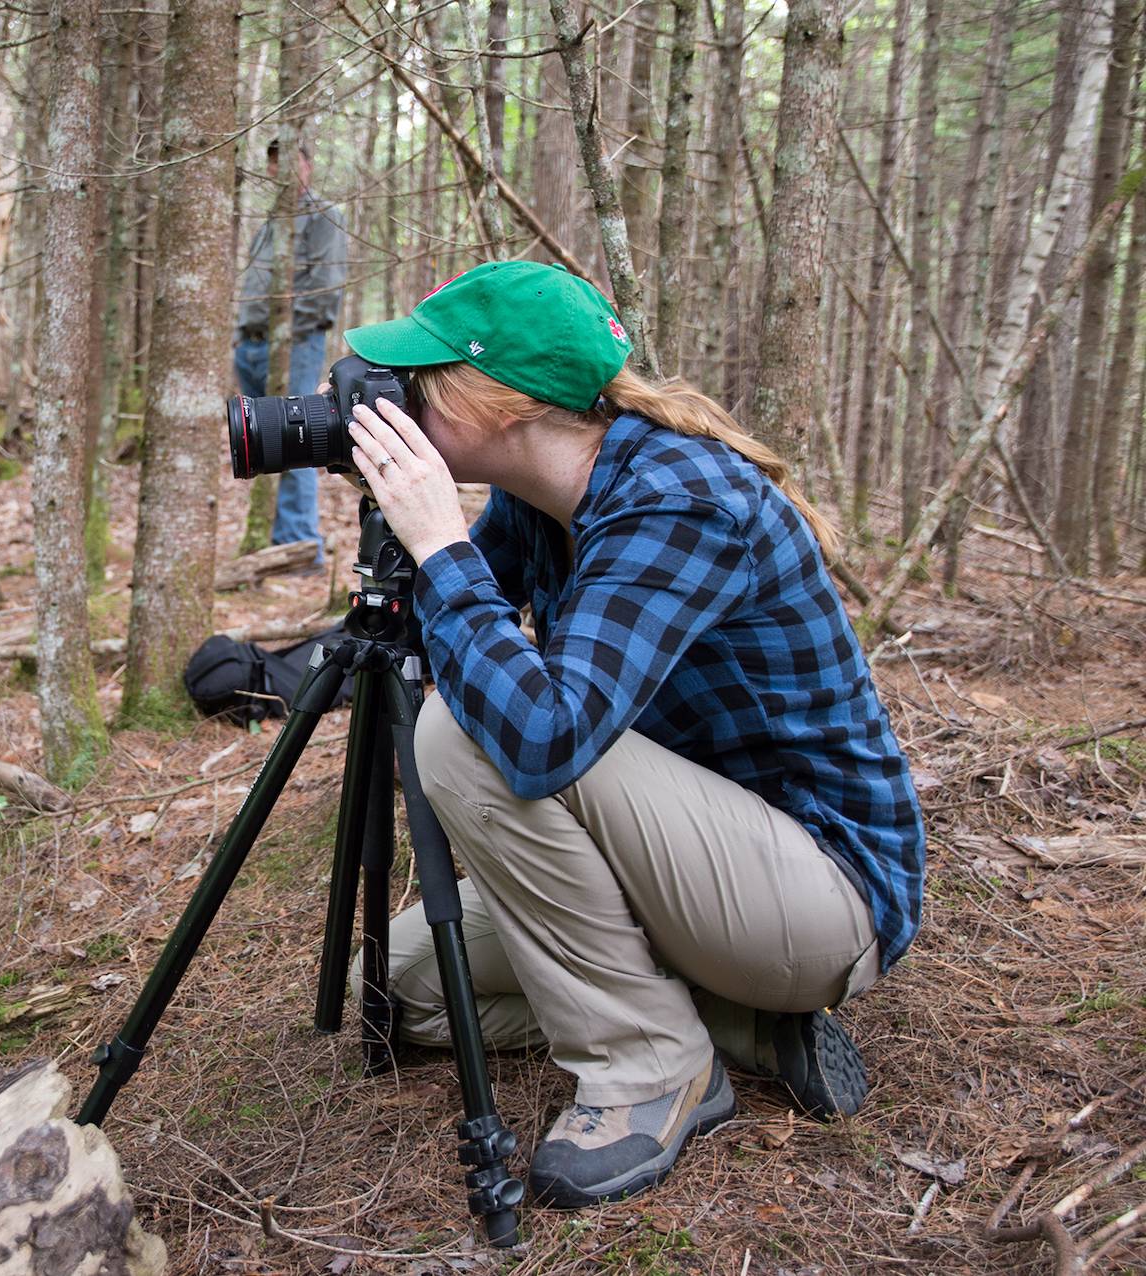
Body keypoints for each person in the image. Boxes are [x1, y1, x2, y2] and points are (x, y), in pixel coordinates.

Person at [337, 261, 925, 1209]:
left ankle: (652, 1067)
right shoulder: (541, 498)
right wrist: (401, 570)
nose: (396, 405)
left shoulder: (680, 500)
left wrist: (442, 545)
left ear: (499, 406)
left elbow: (539, 736)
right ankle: (732, 1022)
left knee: (461, 737)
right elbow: (437, 632)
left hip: (816, 894)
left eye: (419, 385)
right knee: (399, 990)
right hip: (674, 867)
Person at [234, 140, 348, 568]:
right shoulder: (270, 221)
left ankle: (300, 546)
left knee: (296, 438)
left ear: (307, 167)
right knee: (259, 443)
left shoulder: (323, 216)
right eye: (274, 163)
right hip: (250, 343)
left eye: (289, 163)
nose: (280, 171)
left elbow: (324, 289)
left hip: (294, 344)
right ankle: (273, 539)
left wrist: (287, 332)